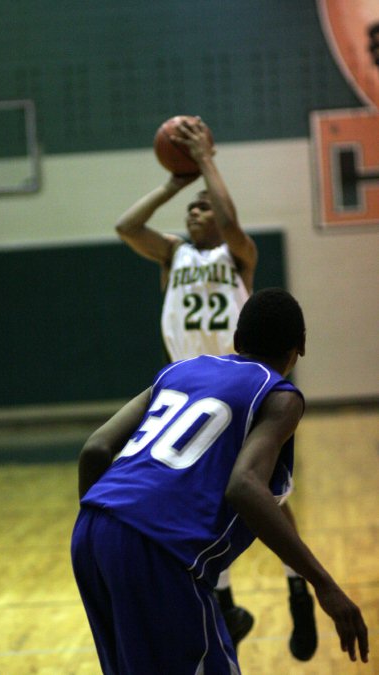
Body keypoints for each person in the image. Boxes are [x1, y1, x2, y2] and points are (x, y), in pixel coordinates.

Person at [71, 288, 369, 675]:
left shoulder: (179, 370)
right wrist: (323, 584)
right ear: (302, 346)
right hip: (160, 546)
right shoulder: (280, 396)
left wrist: (102, 533)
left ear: (238, 341)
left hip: (91, 530)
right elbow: (244, 486)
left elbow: (95, 449)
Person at [114, 116, 317, 659]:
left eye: (203, 206)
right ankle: (225, 604)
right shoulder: (173, 254)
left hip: (241, 385)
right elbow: (125, 228)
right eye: (192, 209)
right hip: (188, 390)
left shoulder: (236, 255)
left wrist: (205, 162)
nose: (196, 212)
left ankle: (297, 585)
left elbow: (230, 220)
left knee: (266, 493)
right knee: (199, 497)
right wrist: (170, 186)